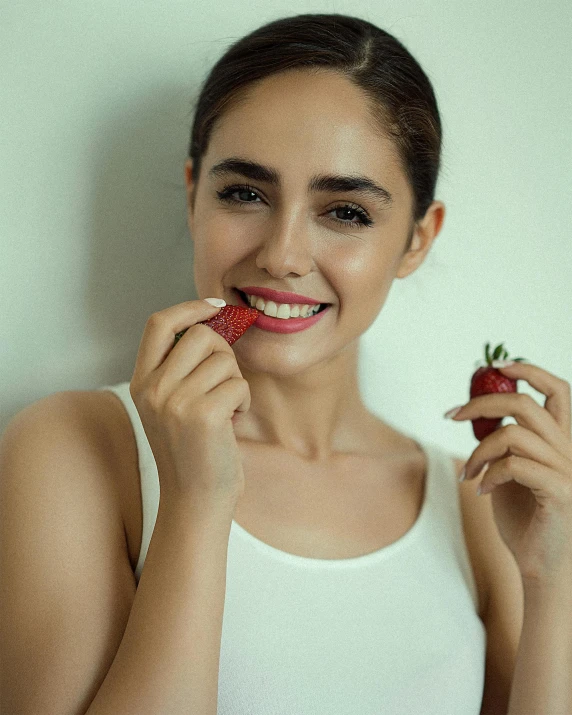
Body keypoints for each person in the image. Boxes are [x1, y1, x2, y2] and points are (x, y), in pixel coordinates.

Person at [1, 13, 531, 715]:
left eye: (344, 211)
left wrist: (556, 577)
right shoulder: (73, 446)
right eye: (244, 194)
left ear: (416, 240)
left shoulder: (477, 505)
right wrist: (194, 503)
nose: (282, 254)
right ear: (194, 196)